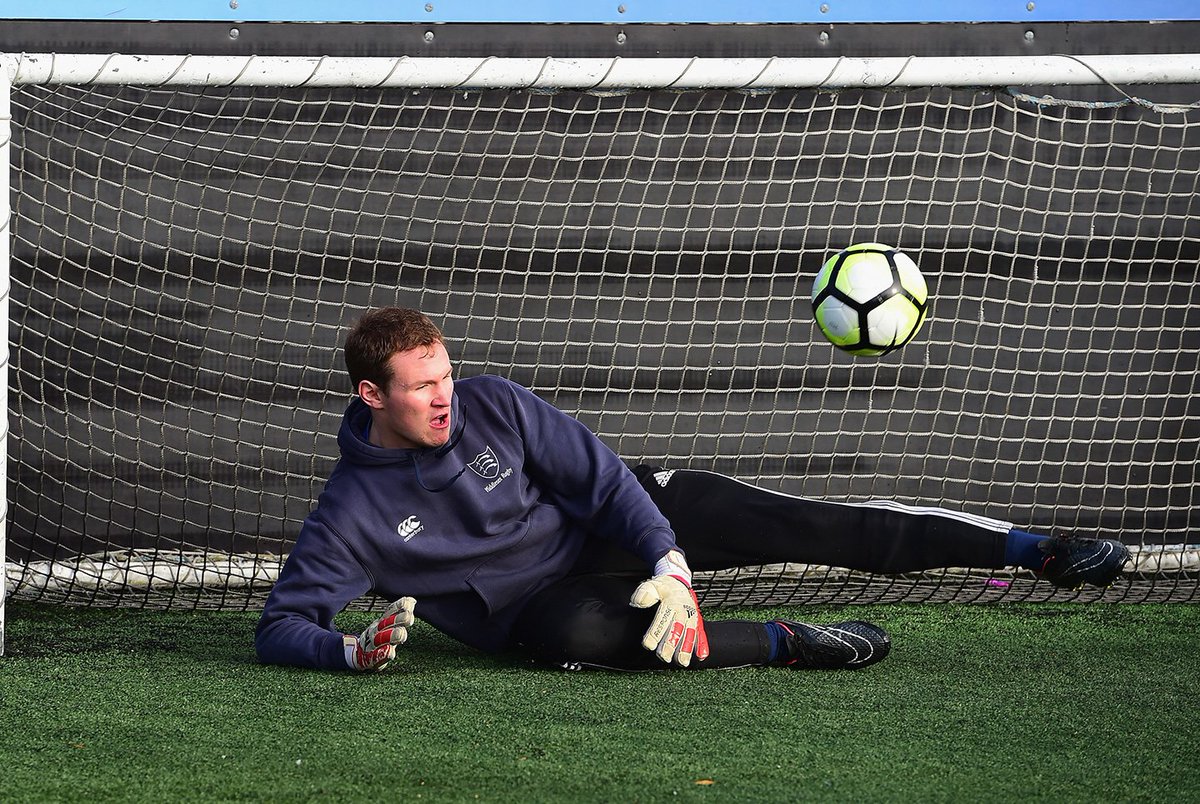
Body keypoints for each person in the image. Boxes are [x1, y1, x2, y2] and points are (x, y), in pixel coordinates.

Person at [255, 307, 1131, 673]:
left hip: (606, 528)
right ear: (373, 395)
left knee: (783, 519)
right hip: (531, 610)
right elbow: (280, 625)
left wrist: (665, 557)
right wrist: (347, 652)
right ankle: (790, 643)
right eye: (423, 387)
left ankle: (1034, 550)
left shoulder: (494, 403)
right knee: (585, 636)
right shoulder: (351, 514)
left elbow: (601, 480)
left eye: (446, 374)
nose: (445, 396)